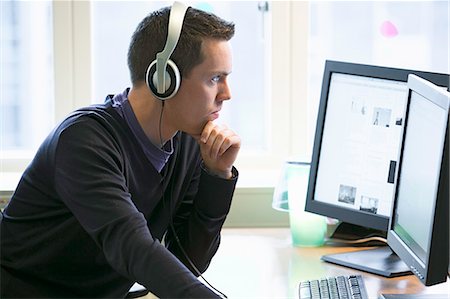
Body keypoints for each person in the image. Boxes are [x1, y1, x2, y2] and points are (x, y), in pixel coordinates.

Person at [0, 2, 240, 298]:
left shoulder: (188, 143)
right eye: (215, 78)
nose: (227, 94)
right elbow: (133, 248)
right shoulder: (84, 142)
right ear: (164, 79)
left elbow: (187, 260)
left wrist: (217, 175)